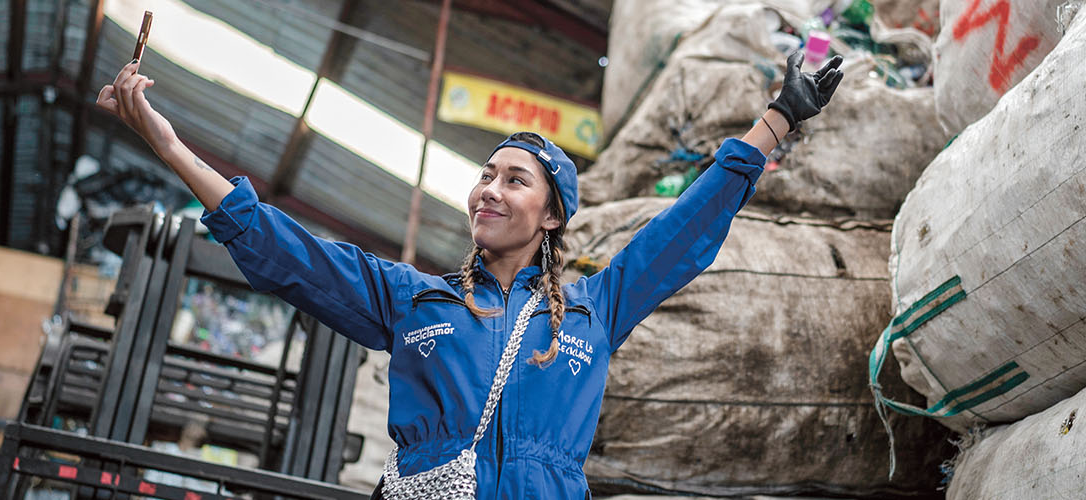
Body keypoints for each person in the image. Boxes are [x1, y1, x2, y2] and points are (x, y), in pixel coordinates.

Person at [97, 50, 844, 499]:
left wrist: (775, 120)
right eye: (485, 174)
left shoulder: (593, 310)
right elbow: (287, 250)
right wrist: (168, 145)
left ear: (552, 215)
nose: (489, 188)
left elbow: (682, 232)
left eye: (515, 179)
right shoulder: (413, 298)